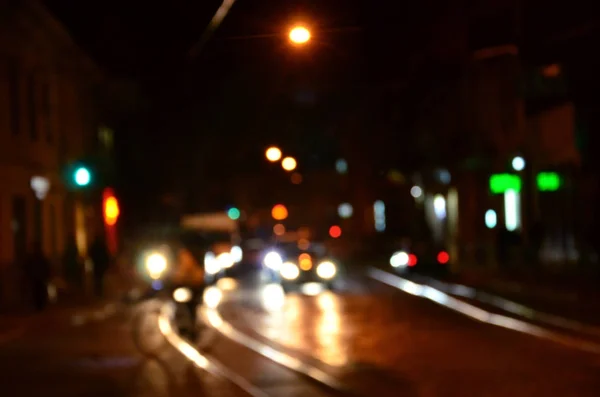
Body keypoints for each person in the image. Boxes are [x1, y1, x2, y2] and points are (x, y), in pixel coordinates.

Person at [24, 241, 51, 311]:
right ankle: (39, 305)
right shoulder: (37, 256)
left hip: (37, 277)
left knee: (38, 291)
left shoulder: (35, 256)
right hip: (38, 277)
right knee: (38, 291)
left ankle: (39, 305)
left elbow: (45, 266)